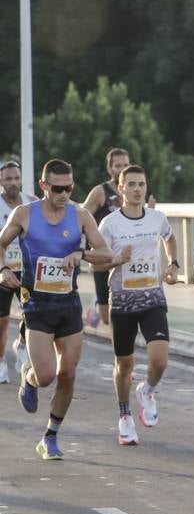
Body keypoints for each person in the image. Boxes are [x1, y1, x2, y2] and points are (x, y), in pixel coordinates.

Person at [0, 159, 114, 459]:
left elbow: (106, 253)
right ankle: (30, 378)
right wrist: (2, 269)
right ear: (44, 186)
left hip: (68, 304)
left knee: (68, 374)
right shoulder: (24, 213)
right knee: (47, 375)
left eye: (69, 187)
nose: (65, 194)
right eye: (58, 188)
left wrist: (81, 253)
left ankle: (50, 436)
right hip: (36, 305)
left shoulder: (81, 216)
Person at [92, 165, 179, 445]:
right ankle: (125, 414)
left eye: (141, 184)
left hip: (152, 297)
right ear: (121, 189)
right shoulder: (110, 224)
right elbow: (96, 260)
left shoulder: (157, 218)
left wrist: (174, 264)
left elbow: (169, 237)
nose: (137, 189)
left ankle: (147, 390)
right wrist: (116, 260)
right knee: (124, 363)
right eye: (131, 184)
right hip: (123, 301)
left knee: (160, 359)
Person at [80, 147, 131, 329]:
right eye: (118, 165)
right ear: (110, 169)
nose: (122, 169)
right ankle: (96, 305)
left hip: (127, 258)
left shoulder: (133, 191)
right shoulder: (101, 192)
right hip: (103, 256)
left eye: (126, 165)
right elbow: (81, 217)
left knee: (125, 311)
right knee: (106, 315)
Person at [0, 160, 36, 384]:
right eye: (8, 179)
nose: (13, 183)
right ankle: (1, 361)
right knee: (3, 322)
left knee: (31, 313)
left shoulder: (31, 204)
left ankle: (21, 343)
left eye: (16, 178)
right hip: (4, 272)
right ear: (1, 181)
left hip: (27, 273)